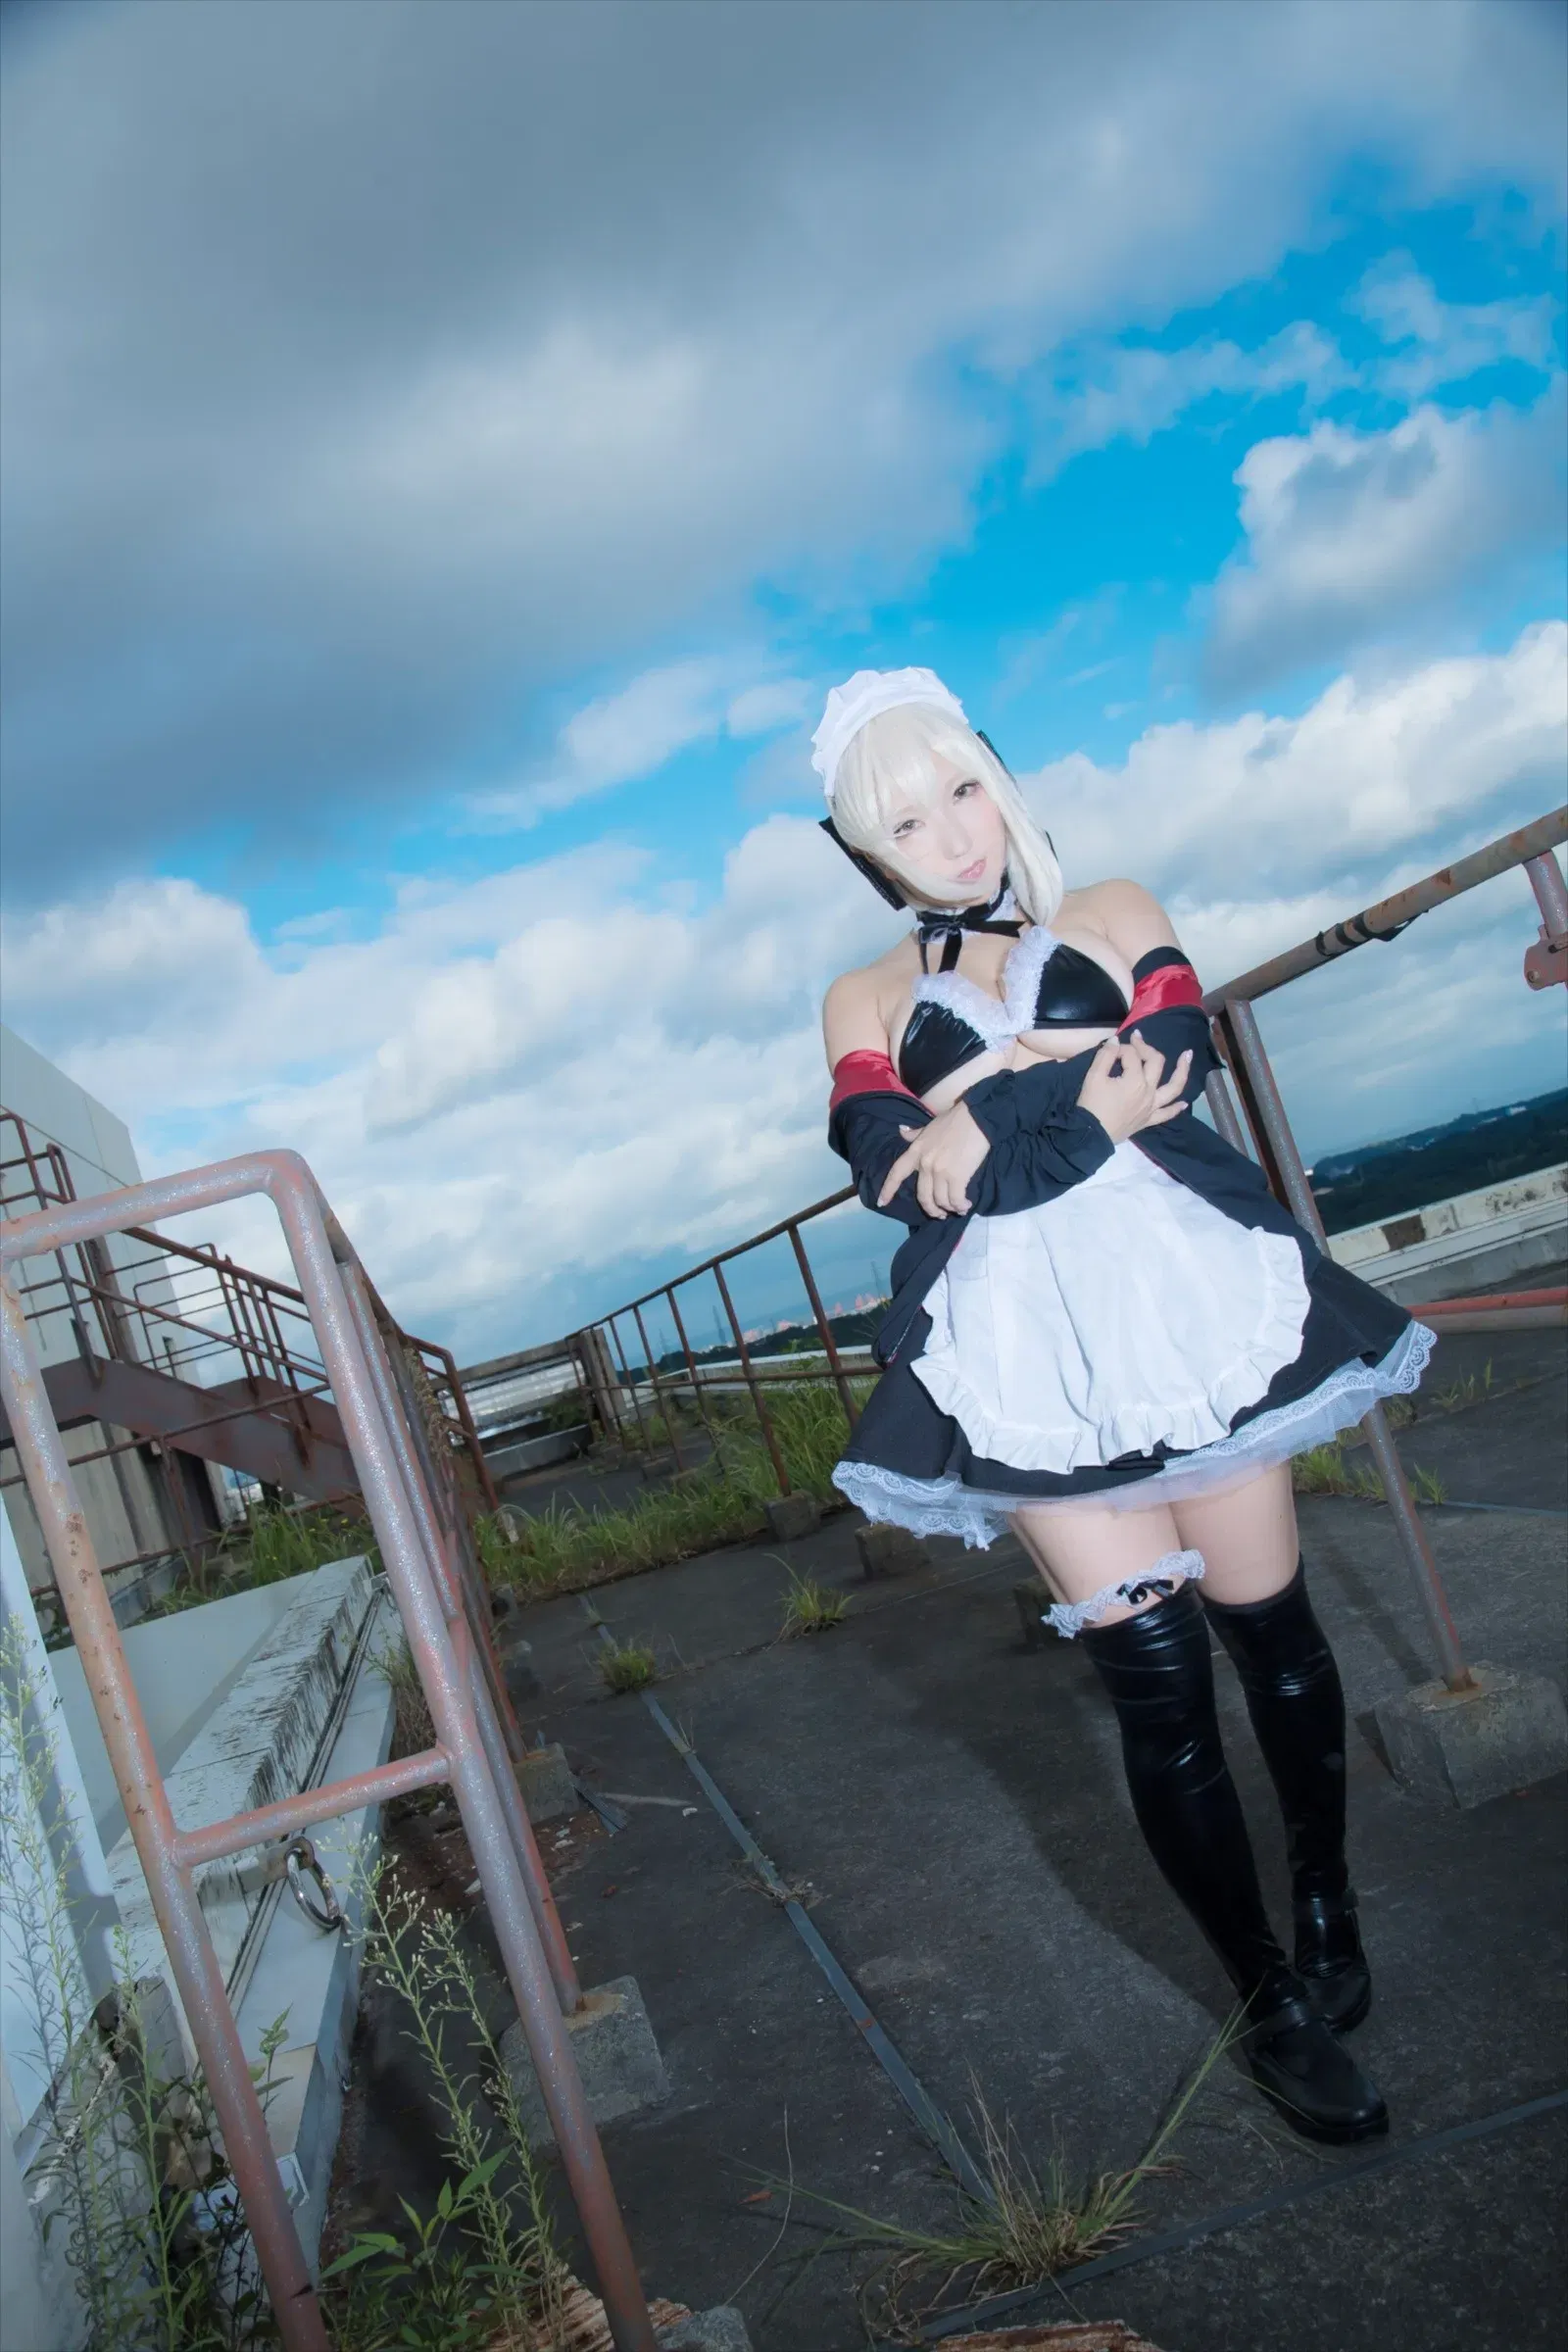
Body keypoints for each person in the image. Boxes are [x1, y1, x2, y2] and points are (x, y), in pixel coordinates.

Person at [817, 666, 1434, 2144]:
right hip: (1023, 1356)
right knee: (1157, 1684)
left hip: (1188, 1310)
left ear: (997, 774)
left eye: (963, 789)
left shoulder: (1111, 907)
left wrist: (988, 1112)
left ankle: (1328, 1900)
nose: (953, 836)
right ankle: (1267, 2000)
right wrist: (1070, 1098)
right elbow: (898, 1175)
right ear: (866, 850)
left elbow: (1176, 1062)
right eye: (907, 822)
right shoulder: (862, 998)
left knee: (1272, 1637)